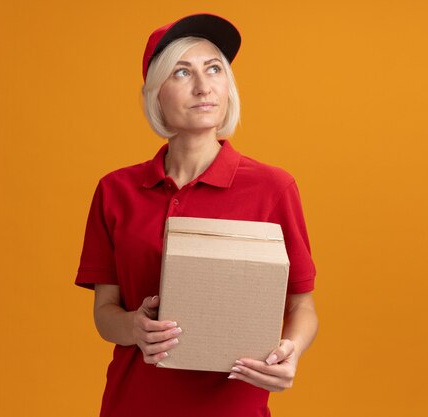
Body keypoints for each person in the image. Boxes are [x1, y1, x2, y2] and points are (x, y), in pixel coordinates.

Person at [75, 13, 319, 417]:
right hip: (134, 404)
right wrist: (134, 327)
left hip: (234, 408)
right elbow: (105, 313)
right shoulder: (115, 191)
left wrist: (290, 352)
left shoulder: (274, 188)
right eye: (182, 72)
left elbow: (303, 306)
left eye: (214, 69)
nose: (204, 86)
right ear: (156, 94)